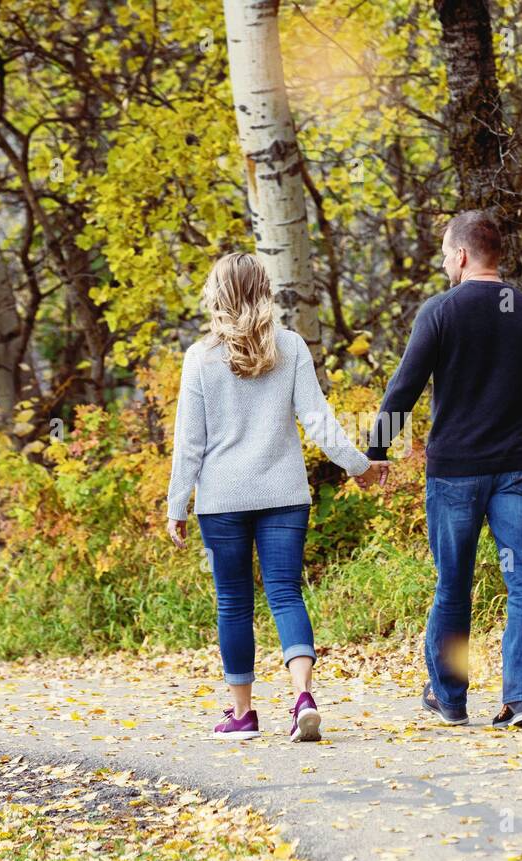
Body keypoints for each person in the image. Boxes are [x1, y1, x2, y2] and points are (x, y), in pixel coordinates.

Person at [166, 252, 387, 742]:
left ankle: (242, 715)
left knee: (233, 603)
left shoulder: (200, 358)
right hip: (284, 494)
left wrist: (176, 504)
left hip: (221, 499)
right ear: (264, 290)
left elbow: (190, 441)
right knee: (285, 592)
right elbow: (319, 421)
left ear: (217, 296)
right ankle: (302, 697)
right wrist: (359, 466)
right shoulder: (289, 347)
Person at [367, 211, 522, 729]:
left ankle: (450, 698)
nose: (445, 262)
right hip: (518, 467)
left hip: (454, 472)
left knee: (453, 584)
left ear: (463, 255)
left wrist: (376, 451)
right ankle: (521, 701)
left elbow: (404, 388)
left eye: (448, 254)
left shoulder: (441, 311)